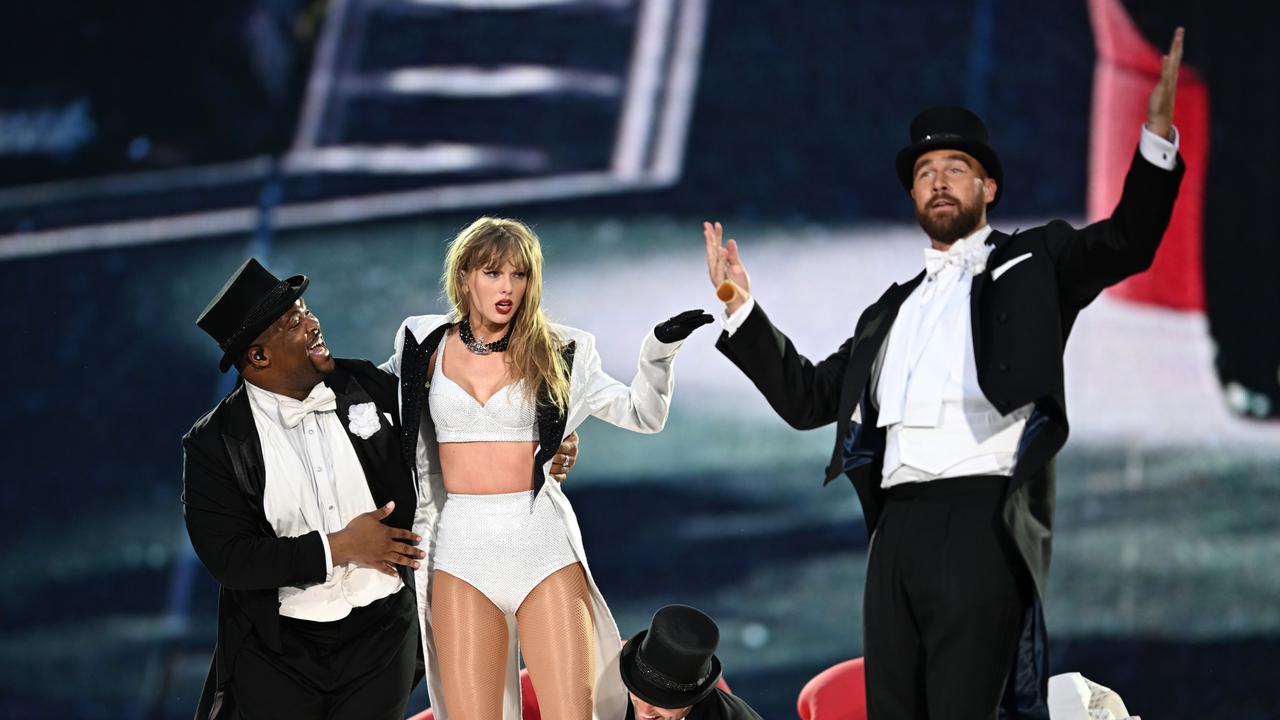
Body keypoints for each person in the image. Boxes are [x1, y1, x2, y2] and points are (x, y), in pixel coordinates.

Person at [704, 29, 1185, 720]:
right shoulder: (887, 313)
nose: (938, 179)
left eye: (956, 166)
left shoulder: (1035, 263)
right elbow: (808, 398)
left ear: (989, 185)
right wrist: (741, 311)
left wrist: (1156, 142)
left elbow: (1128, 240)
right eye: (925, 170)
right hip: (893, 534)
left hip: (981, 521)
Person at [181, 257, 585, 719]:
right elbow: (232, 560)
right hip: (278, 654)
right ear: (258, 356)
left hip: (381, 641)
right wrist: (339, 547)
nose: (314, 324)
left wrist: (544, 442)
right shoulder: (215, 445)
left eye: (306, 310)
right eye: (293, 322)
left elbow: (461, 430)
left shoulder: (368, 388)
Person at [382, 216, 713, 720]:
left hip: (540, 546)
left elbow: (642, 414)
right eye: (493, 273)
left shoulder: (563, 349)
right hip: (459, 548)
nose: (507, 288)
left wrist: (658, 352)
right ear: (466, 275)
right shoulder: (421, 343)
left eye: (520, 276)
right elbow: (373, 402)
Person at [620, 605, 763, 720]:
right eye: (637, 692)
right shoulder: (604, 678)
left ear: (692, 700)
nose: (644, 712)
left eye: (658, 701)